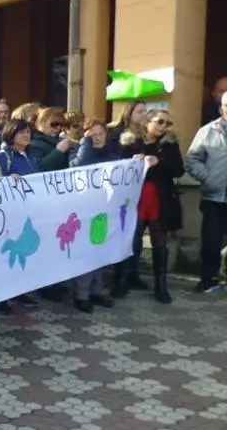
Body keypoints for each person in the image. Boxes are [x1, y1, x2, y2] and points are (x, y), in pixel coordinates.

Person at [120, 109, 184, 304]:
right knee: (132, 239)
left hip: (160, 199)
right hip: (136, 199)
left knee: (159, 241)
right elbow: (120, 168)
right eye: (160, 122)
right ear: (148, 122)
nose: (164, 126)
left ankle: (161, 286)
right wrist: (133, 162)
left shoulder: (169, 144)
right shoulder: (131, 142)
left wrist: (159, 162)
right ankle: (124, 280)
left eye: (167, 123)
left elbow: (179, 169)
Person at [68, 119, 118, 312]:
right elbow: (77, 167)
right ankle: (81, 295)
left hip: (105, 211)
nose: (97, 138)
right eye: (92, 134)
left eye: (100, 133)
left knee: (100, 252)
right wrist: (85, 144)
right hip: (83, 211)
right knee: (86, 253)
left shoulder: (113, 155)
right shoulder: (78, 153)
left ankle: (96, 291)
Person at [186, 90, 227, 293]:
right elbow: (192, 160)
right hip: (214, 197)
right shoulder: (208, 131)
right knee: (211, 242)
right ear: (222, 107)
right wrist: (207, 178)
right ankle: (208, 279)